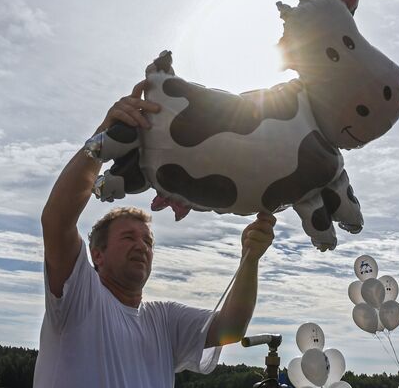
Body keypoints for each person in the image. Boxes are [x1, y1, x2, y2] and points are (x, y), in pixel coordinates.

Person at [33, 81, 276, 387]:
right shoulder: (81, 296)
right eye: (128, 238)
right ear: (98, 254)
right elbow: (57, 220)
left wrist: (250, 258)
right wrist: (103, 139)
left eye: (147, 240)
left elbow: (231, 327)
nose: (141, 246)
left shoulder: (163, 319)